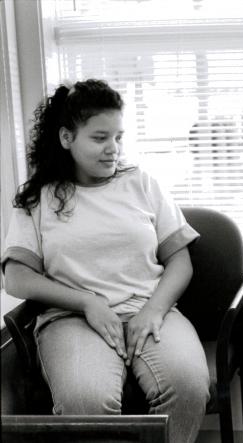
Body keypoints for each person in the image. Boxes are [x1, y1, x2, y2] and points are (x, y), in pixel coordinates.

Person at [2, 79, 210, 443]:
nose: (112, 149)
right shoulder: (38, 198)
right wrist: (88, 302)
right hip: (72, 319)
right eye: (100, 138)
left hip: (150, 309)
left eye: (118, 137)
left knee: (189, 387)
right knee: (86, 402)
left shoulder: (142, 183)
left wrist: (154, 310)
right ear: (67, 138)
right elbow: (17, 278)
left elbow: (180, 260)